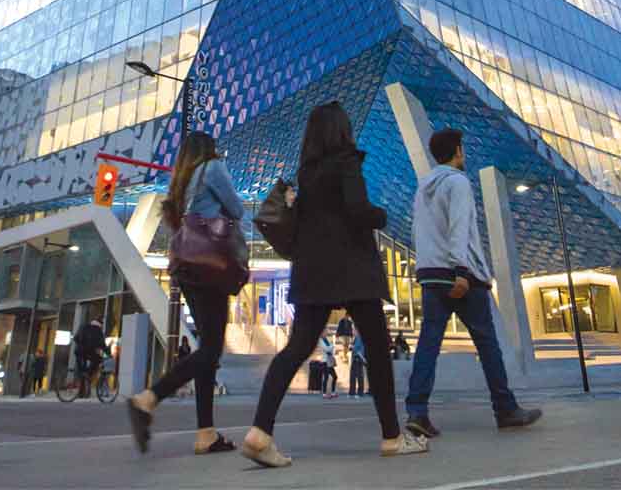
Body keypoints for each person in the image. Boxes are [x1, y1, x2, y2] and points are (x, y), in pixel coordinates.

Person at [242, 102, 425, 467]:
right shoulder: (347, 161)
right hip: (353, 269)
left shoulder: (307, 172)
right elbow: (358, 211)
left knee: (296, 349)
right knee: (376, 347)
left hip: (313, 269)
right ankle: (391, 436)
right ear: (341, 130)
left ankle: (260, 432)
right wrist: (383, 215)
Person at [402, 128, 542, 438]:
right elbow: (460, 228)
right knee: (487, 344)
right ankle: (505, 409)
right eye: (462, 149)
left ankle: (417, 412)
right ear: (457, 152)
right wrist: (462, 270)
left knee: (428, 343)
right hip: (460, 275)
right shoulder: (458, 182)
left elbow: (417, 233)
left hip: (431, 273)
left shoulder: (422, 187)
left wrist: (425, 267)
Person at [128, 132, 249, 455]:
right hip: (210, 265)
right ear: (208, 150)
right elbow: (236, 209)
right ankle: (149, 398)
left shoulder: (182, 179)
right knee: (210, 350)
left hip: (187, 266)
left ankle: (205, 433)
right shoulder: (212, 167)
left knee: (208, 351)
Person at [75, 319, 108, 394]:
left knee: (82, 371)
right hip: (90, 352)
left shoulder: (83, 327)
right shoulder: (98, 330)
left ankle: (81, 391)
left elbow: (75, 338)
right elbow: (102, 344)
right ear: (100, 324)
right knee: (98, 360)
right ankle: (89, 374)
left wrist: (81, 345)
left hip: (79, 351)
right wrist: (107, 354)